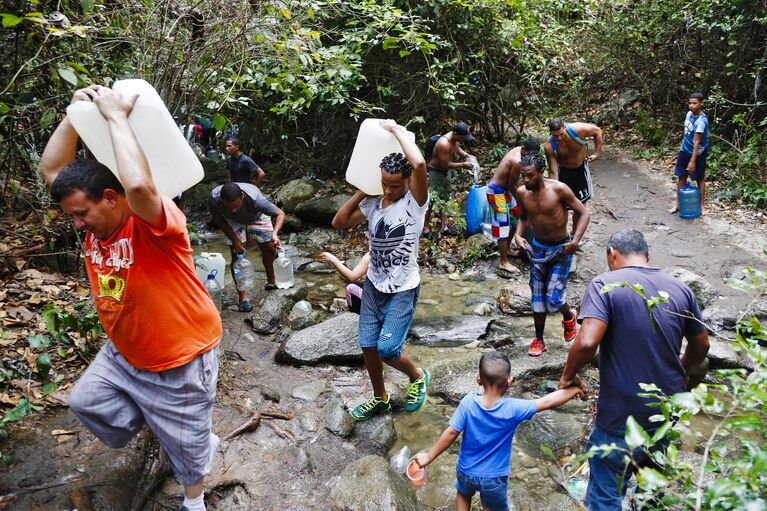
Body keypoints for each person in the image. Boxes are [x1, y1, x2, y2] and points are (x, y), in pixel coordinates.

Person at [39, 85, 222, 511]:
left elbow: (138, 184)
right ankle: (170, 426)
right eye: (73, 215)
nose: (79, 224)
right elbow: (53, 168)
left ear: (110, 197)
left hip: (181, 354)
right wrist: (77, 112)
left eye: (82, 214)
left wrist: (117, 116)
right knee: (86, 402)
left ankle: (194, 499)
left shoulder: (156, 221)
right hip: (125, 352)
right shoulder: (93, 216)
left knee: (190, 456)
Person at [558, 229, 710, 510]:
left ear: (611, 254)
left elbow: (588, 340)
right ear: (648, 257)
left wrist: (568, 376)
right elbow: (701, 345)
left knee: (606, 496)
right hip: (664, 412)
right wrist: (682, 372)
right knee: (649, 493)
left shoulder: (605, 284)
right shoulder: (680, 289)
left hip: (620, 417)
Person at [332, 119, 430, 421]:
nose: (389, 189)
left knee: (388, 349)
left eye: (395, 185)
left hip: (403, 288)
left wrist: (396, 131)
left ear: (408, 182)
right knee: (368, 346)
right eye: (384, 183)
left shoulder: (416, 203)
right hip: (374, 284)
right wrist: (364, 190)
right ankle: (380, 398)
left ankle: (417, 376)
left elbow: (421, 164)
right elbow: (339, 222)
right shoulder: (375, 202)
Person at [413, 351, 583, 511]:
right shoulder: (514, 408)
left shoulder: (468, 403)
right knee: (492, 505)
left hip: (466, 471)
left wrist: (428, 457)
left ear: (478, 379)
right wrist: (574, 389)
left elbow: (451, 433)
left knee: (463, 494)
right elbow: (547, 402)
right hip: (494, 478)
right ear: (509, 382)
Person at [513, 152, 590, 356]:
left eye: (530, 175)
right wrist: (518, 236)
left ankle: (569, 315)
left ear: (541, 172)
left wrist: (575, 241)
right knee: (538, 298)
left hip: (561, 248)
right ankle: (539, 339)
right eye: (523, 175)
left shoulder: (559, 190)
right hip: (537, 249)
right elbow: (522, 216)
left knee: (554, 299)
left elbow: (583, 213)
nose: (526, 180)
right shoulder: (522, 192)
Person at [208, 182, 286, 311]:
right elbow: (217, 218)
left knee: (269, 249)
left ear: (242, 196)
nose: (233, 210)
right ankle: (243, 297)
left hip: (257, 215)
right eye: (229, 207)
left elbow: (280, 214)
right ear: (222, 201)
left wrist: (275, 234)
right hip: (232, 222)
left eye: (236, 206)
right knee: (237, 254)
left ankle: (272, 281)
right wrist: (234, 239)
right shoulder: (214, 199)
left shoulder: (256, 199)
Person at [486, 137, 541, 274]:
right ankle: (503, 262)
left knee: (516, 218)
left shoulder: (521, 152)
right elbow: (513, 185)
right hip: (497, 192)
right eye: (527, 154)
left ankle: (508, 249)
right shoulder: (517, 161)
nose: (529, 158)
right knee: (502, 225)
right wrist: (523, 202)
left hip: (506, 191)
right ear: (523, 148)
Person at [543, 118, 603, 235]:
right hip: (564, 172)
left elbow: (598, 131)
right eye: (555, 136)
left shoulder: (578, 129)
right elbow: (553, 170)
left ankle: (575, 234)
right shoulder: (549, 146)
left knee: (580, 205)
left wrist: (597, 153)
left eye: (561, 134)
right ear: (550, 133)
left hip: (581, 170)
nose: (559, 138)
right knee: (561, 205)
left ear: (565, 127)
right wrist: (553, 190)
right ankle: (561, 235)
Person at [424, 122, 475, 238]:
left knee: (445, 199)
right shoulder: (444, 143)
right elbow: (445, 164)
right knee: (432, 200)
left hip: (445, 172)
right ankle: (425, 227)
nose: (463, 140)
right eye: (462, 138)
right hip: (436, 172)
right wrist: (463, 164)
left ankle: (444, 226)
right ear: (455, 134)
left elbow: (457, 149)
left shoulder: (455, 139)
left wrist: (467, 155)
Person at [668, 92, 710, 215]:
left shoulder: (702, 121)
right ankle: (677, 203)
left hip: (698, 153)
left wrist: (692, 161)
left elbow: (697, 142)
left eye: (694, 103)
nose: (691, 106)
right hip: (685, 150)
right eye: (690, 103)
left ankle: (702, 206)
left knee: (699, 178)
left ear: (701, 104)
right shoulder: (688, 114)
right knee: (682, 176)